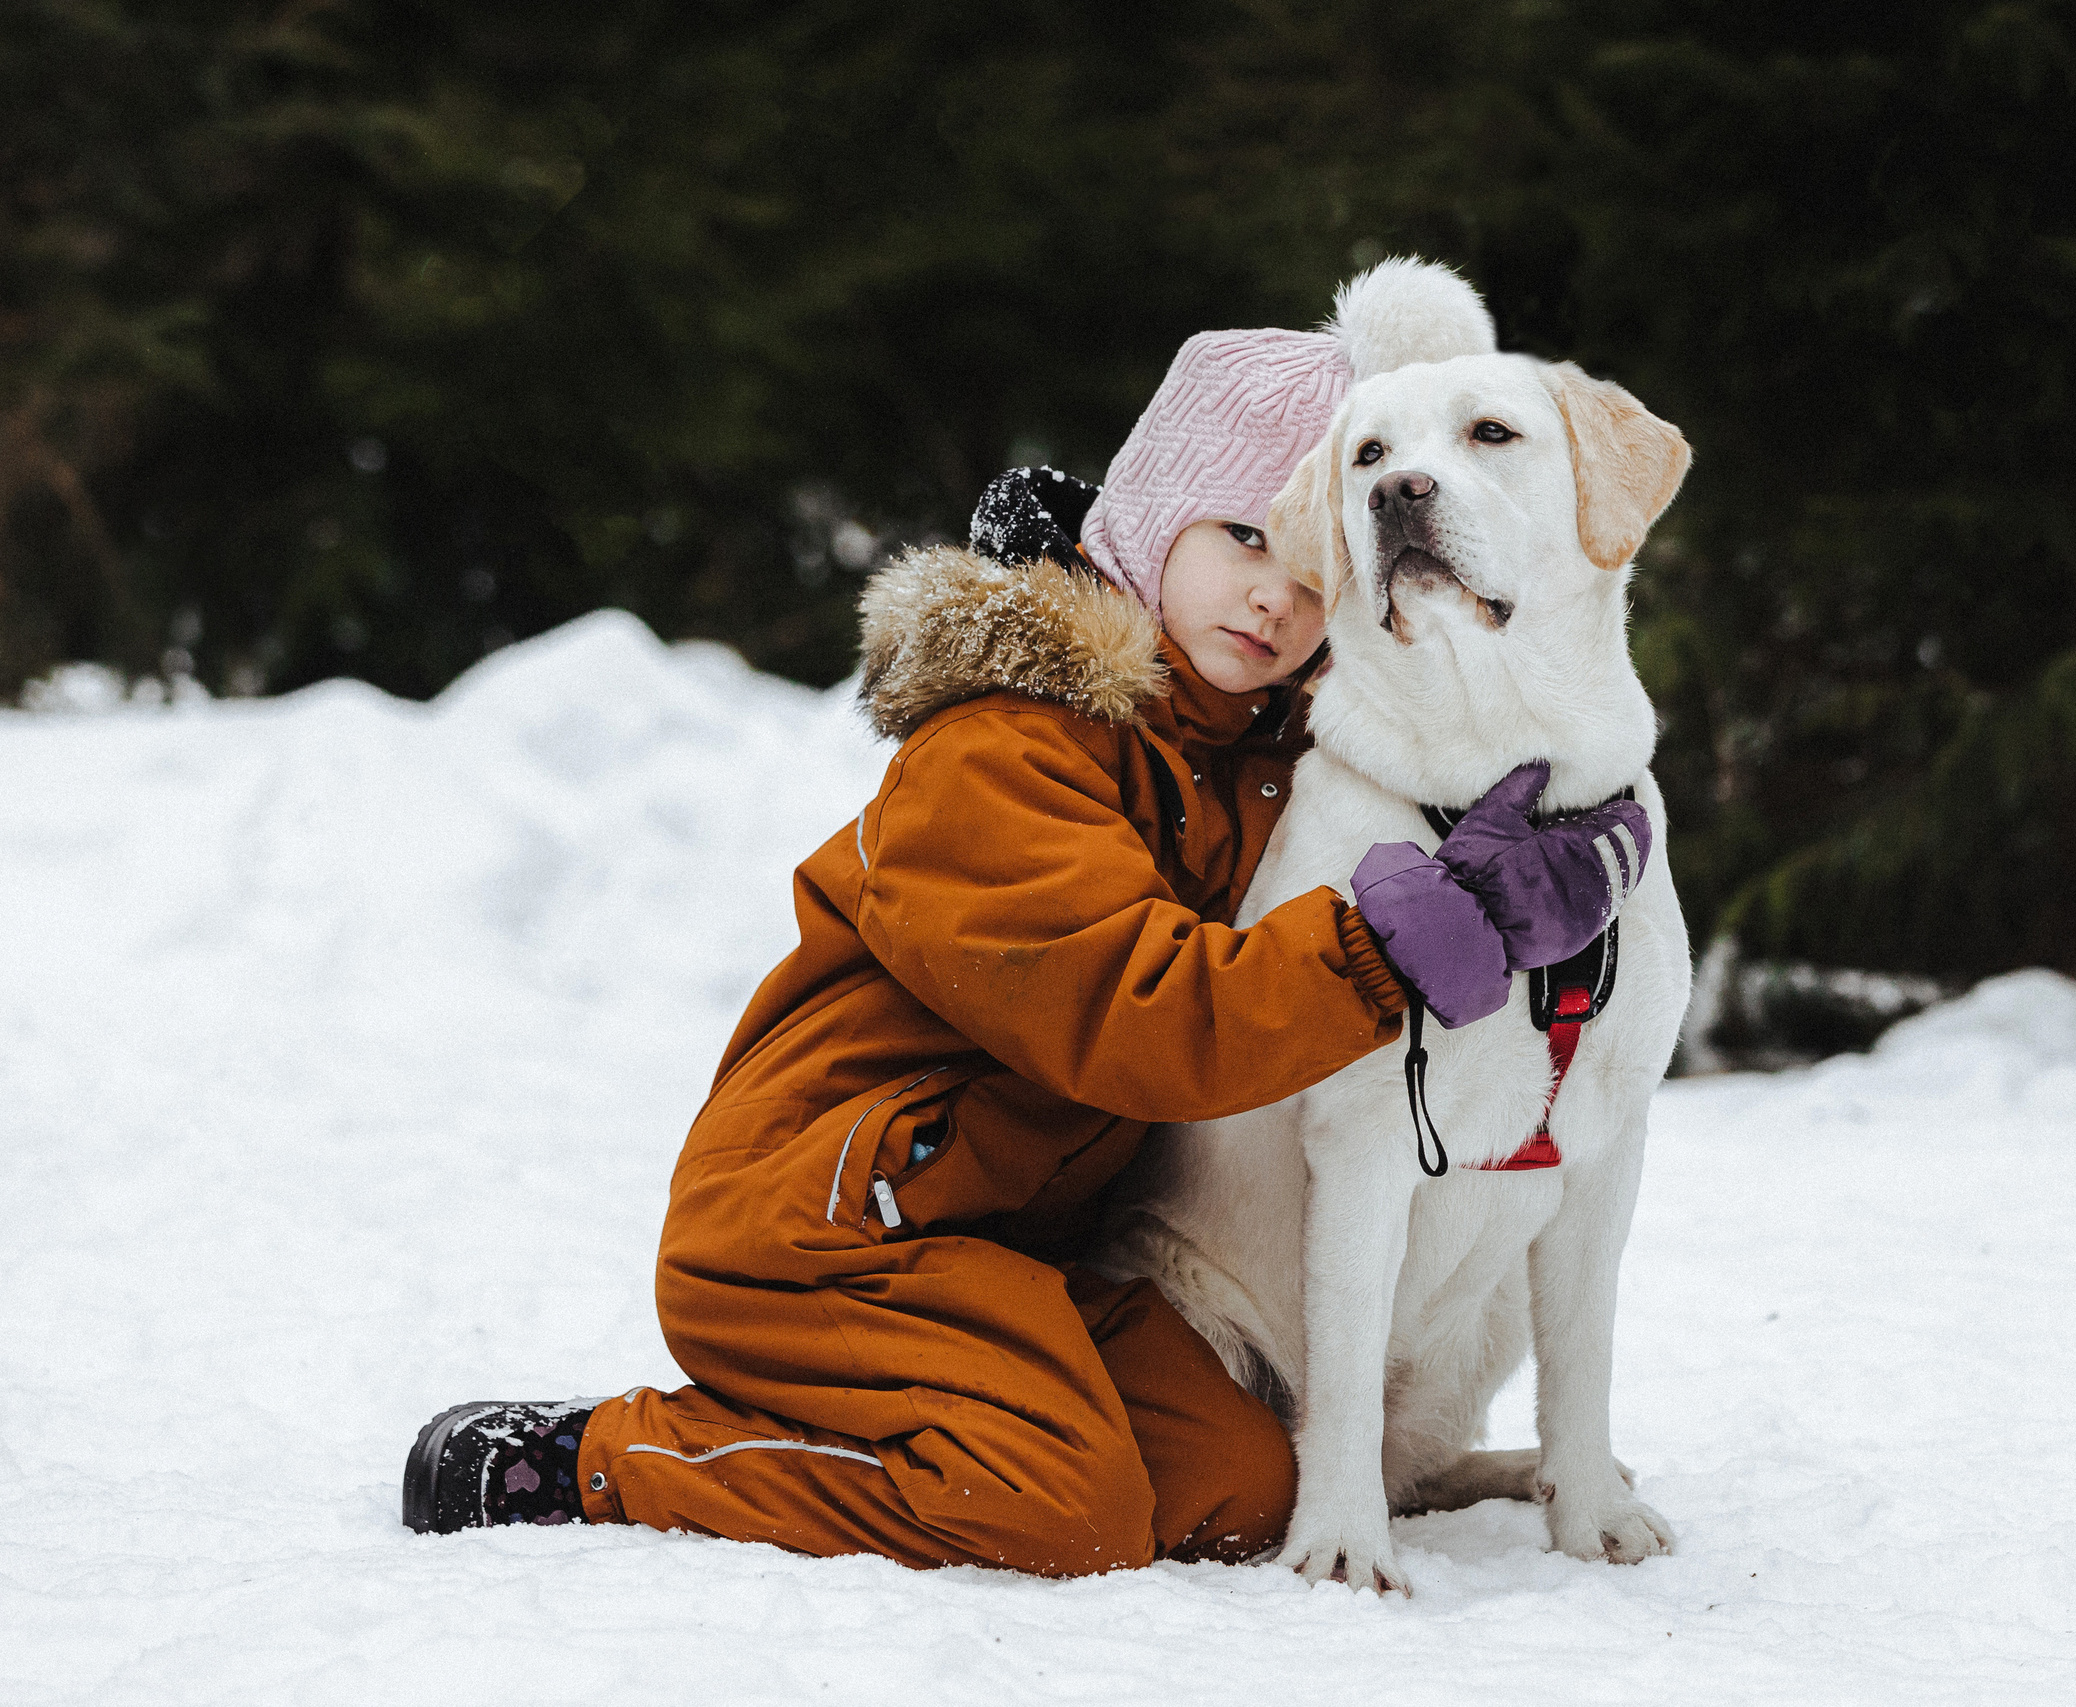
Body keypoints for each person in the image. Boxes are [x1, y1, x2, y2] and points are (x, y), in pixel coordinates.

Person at [401, 269, 1651, 1574]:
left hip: (1032, 1248)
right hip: (830, 1228)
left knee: (1240, 1488)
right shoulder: (1005, 746)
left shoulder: (1252, 763)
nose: (1274, 597)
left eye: (1308, 562)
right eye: (1237, 535)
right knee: (1060, 1506)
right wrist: (1410, 938)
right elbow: (1146, 1017)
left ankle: (963, 1420)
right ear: (1155, 519)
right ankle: (600, 1457)